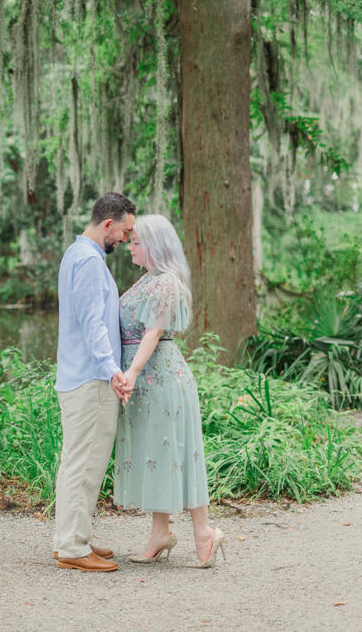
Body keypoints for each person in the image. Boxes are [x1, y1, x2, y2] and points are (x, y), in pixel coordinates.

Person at [113, 214, 226, 568]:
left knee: (178, 451)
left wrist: (131, 370)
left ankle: (204, 532)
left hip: (161, 376)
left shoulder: (167, 283)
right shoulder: (146, 280)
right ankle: (160, 533)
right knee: (156, 453)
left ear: (154, 245)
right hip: (144, 379)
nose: (129, 247)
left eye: (135, 242)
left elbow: (153, 332)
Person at [52, 192, 136, 572]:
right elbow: (92, 324)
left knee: (82, 461)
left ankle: (75, 537)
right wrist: (112, 370)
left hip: (83, 376)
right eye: (125, 230)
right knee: (84, 463)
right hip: (90, 378)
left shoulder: (80, 255)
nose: (126, 238)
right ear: (108, 224)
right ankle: (72, 548)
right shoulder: (87, 261)